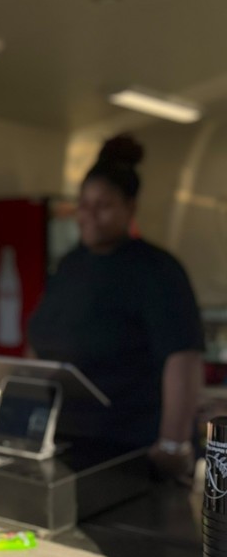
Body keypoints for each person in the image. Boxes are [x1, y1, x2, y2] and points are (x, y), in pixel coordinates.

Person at [27, 135, 204, 481]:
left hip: (132, 447)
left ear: (130, 208)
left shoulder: (156, 270)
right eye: (83, 204)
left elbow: (183, 358)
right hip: (63, 441)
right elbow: (38, 341)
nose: (88, 215)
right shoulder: (68, 265)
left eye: (103, 205)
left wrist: (173, 444)